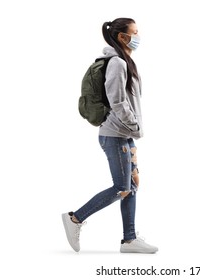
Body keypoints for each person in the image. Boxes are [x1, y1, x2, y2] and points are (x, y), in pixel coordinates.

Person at [62, 18, 158, 254]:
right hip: (115, 134)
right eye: (134, 33)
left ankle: (129, 240)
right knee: (121, 187)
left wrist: (133, 130)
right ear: (122, 37)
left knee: (132, 185)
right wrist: (135, 126)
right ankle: (75, 218)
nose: (138, 37)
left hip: (124, 134)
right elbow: (117, 101)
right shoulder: (117, 63)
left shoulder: (126, 61)